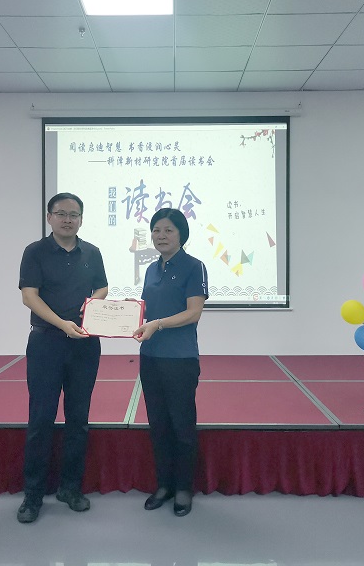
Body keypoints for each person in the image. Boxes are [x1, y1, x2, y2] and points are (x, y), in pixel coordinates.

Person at [17, 192, 108, 524]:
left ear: (81, 219)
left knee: (78, 419)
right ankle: (33, 495)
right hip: (46, 343)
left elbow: (102, 288)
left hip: (85, 344)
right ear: (49, 217)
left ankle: (70, 488)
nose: (68, 219)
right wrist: (62, 324)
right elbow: (29, 296)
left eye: (74, 214)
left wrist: (91, 306)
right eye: (61, 213)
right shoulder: (35, 252)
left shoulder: (92, 252)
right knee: (40, 419)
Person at [133, 208, 208, 517]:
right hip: (150, 357)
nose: (161, 236)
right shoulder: (152, 269)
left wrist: (157, 324)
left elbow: (193, 312)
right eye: (156, 230)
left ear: (181, 235)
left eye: (168, 230)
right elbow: (145, 310)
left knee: (181, 425)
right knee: (159, 425)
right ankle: (164, 485)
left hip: (180, 359)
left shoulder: (194, 266)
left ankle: (183, 488)